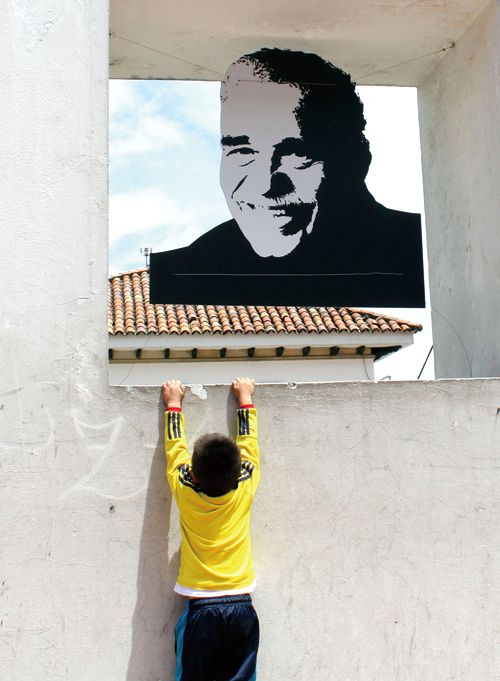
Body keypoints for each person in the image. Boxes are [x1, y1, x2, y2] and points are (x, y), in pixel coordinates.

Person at [150, 48, 424, 308]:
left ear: (357, 160)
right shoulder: (184, 272)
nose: (264, 185)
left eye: (297, 153)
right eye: (242, 151)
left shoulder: (416, 253)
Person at [162, 377, 260, 681]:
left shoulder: (185, 491)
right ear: (237, 471)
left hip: (201, 606)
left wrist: (173, 405)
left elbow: (175, 452)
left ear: (194, 474)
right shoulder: (246, 485)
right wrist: (245, 400)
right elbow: (250, 448)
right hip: (242, 605)